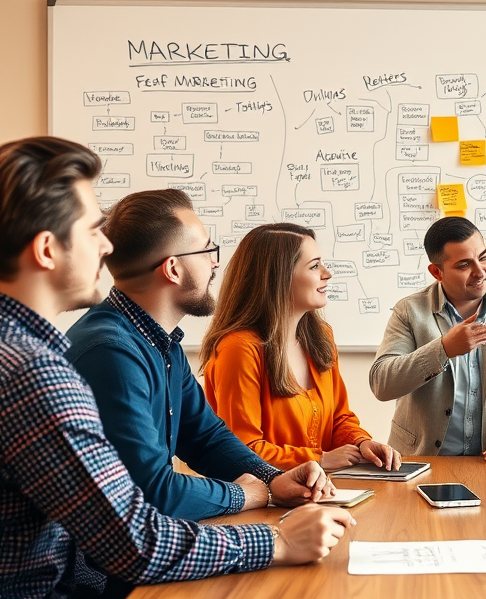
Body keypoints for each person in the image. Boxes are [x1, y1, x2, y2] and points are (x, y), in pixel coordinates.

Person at [0, 137, 352, 599]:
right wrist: (275, 535)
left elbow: (203, 433)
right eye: (91, 230)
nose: (106, 246)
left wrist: (273, 478)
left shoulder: (141, 343)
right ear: (45, 250)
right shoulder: (39, 370)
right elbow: (136, 537)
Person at [66, 191, 337, 523]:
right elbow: (154, 492)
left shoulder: (161, 344)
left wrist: (274, 478)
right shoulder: (111, 353)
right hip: (95, 568)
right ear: (173, 270)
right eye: (207, 250)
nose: (216, 262)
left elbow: (205, 438)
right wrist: (255, 493)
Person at [201, 223, 399, 472]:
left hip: (323, 487)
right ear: (279, 277)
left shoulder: (320, 337)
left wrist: (361, 442)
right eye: (315, 266)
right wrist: (318, 459)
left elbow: (339, 418)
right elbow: (243, 449)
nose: (327, 274)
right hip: (267, 497)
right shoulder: (238, 349)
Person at [369, 216, 486, 461]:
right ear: (437, 272)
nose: (480, 272)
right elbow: (382, 383)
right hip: (423, 459)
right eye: (464, 265)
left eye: (484, 257)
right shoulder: (409, 311)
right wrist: (443, 349)